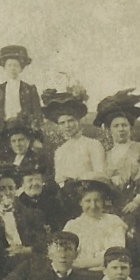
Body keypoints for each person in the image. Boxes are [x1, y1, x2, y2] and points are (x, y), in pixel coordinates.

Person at [42, 89, 106, 217]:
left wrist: (78, 180)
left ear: (78, 121)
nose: (67, 126)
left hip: (90, 196)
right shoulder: (60, 151)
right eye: (62, 123)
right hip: (67, 199)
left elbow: (101, 174)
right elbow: (59, 178)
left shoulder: (93, 144)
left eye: (71, 120)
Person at [94, 90, 140, 214]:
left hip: (138, 205)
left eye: (124, 125)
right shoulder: (106, 154)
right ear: (109, 130)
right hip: (112, 207)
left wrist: (136, 202)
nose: (121, 129)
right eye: (116, 126)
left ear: (130, 127)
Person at [0, 164, 47, 269]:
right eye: (2, 189)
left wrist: (27, 250)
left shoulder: (32, 214)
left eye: (11, 188)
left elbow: (43, 242)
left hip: (28, 261)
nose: (7, 193)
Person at [0, 46, 43, 154]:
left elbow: (37, 114)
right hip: (2, 132)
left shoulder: (29, 89)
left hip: (24, 130)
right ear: (4, 67)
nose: (12, 68)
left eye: (16, 65)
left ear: (21, 68)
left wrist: (36, 137)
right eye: (9, 65)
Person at [63, 180, 127, 273]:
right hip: (75, 274)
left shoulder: (113, 222)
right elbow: (65, 254)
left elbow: (115, 254)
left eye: (97, 201)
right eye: (88, 201)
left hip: (105, 274)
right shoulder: (72, 225)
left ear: (103, 202)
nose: (93, 206)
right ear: (80, 202)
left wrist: (81, 264)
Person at [17, 159, 66, 232]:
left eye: (37, 179)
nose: (35, 183)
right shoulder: (18, 205)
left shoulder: (54, 203)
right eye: (30, 180)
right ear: (22, 184)